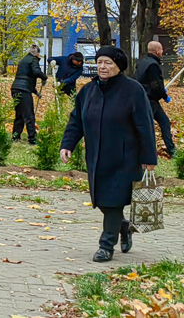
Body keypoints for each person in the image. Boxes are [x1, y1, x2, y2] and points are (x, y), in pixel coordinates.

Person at [60, 46, 157, 263]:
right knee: (103, 202)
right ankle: (123, 226)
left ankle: (106, 246)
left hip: (124, 157)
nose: (102, 67)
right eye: (99, 62)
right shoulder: (88, 91)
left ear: (118, 66)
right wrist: (68, 144)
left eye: (108, 63)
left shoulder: (133, 90)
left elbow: (145, 125)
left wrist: (149, 158)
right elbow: (77, 120)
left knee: (113, 202)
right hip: (96, 157)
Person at [135, 40, 175, 157]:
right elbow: (156, 86)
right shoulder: (153, 65)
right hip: (149, 101)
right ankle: (143, 152)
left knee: (164, 122)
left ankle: (172, 150)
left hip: (146, 99)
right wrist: (165, 96)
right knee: (146, 127)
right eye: (161, 49)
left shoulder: (142, 62)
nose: (162, 52)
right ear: (157, 51)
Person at [11, 44, 47, 144]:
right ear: (37, 53)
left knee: (19, 114)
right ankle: (32, 138)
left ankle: (15, 136)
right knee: (29, 115)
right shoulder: (33, 60)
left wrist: (36, 92)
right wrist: (44, 77)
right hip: (24, 90)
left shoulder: (23, 60)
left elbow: (24, 78)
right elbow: (36, 72)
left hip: (15, 88)